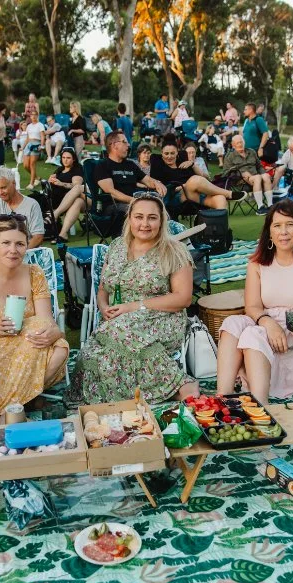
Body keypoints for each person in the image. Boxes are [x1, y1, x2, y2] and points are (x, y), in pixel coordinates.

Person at [68, 193, 201, 405]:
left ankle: (179, 385)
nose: (145, 224)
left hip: (162, 317)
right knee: (93, 355)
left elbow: (183, 298)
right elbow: (103, 288)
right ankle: (126, 400)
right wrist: (103, 308)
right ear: (129, 218)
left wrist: (134, 306)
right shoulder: (117, 247)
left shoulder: (174, 251)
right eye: (139, 217)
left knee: (120, 333)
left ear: (161, 220)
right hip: (117, 320)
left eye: (152, 217)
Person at [216, 199, 293, 403]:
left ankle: (260, 405)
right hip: (269, 323)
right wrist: (268, 323)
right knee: (232, 323)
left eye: (290, 224)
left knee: (251, 334)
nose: (283, 232)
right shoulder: (257, 263)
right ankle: (223, 396)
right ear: (269, 232)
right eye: (277, 225)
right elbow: (253, 307)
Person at [0, 216, 70, 426]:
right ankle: (22, 402)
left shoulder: (34, 273)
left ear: (27, 245)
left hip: (28, 347)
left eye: (19, 243)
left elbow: (45, 322)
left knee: (59, 346)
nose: (13, 250)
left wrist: (55, 332)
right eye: (6, 243)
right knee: (53, 349)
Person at [95, 130, 168, 226]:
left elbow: (148, 181)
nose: (128, 145)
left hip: (135, 203)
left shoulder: (130, 164)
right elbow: (111, 192)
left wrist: (157, 183)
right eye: (124, 142)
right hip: (113, 206)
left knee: (158, 208)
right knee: (144, 211)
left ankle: (165, 237)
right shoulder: (103, 165)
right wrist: (135, 201)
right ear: (113, 145)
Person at [151, 141, 245, 210]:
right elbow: (165, 189)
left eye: (172, 153)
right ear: (162, 154)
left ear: (177, 153)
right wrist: (184, 186)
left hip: (196, 195)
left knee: (220, 199)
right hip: (177, 198)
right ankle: (229, 194)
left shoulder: (184, 163)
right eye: (166, 153)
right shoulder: (159, 166)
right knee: (195, 180)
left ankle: (220, 233)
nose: (169, 156)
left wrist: (192, 164)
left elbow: (203, 177)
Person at [0, 167, 45, 250]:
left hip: (24, 249)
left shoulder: (32, 204)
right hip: (1, 249)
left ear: (14, 183)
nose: (0, 192)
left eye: (3, 188)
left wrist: (19, 252)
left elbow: (38, 237)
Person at [223, 134, 273, 213]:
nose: (240, 144)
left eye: (241, 142)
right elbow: (226, 173)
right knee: (257, 177)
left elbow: (259, 166)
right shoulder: (230, 156)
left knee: (266, 176)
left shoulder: (251, 151)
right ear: (233, 145)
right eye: (238, 143)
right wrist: (240, 175)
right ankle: (260, 207)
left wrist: (263, 173)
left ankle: (270, 205)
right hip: (241, 183)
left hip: (256, 178)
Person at [48, 148, 87, 242]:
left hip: (85, 197)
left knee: (77, 189)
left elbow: (76, 185)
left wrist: (61, 183)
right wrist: (50, 181)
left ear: (73, 159)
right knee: (78, 202)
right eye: (63, 157)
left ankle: (55, 214)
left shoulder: (77, 170)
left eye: (68, 158)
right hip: (61, 199)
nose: (65, 160)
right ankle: (63, 234)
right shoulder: (59, 170)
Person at [21, 110, 46, 188]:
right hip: (28, 145)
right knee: (25, 165)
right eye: (32, 115)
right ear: (30, 117)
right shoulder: (29, 126)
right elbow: (28, 138)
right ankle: (37, 178)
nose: (34, 116)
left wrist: (42, 146)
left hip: (36, 144)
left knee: (32, 164)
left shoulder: (40, 125)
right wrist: (23, 147)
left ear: (37, 116)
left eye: (35, 115)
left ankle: (31, 183)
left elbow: (42, 136)